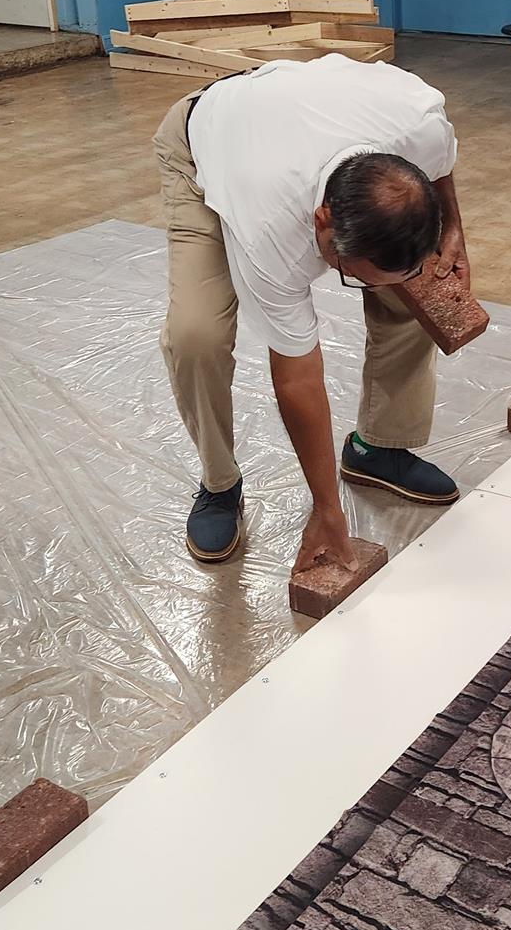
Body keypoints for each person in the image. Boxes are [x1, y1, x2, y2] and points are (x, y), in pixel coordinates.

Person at [152, 55, 467, 574]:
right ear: (322, 223)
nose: (367, 287)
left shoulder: (417, 125)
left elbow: (439, 165)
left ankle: (377, 448)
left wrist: (453, 230)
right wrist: (326, 509)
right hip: (203, 145)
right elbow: (297, 376)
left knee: (417, 290)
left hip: (294, 117)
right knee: (195, 335)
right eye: (354, 275)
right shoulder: (269, 226)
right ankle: (220, 483)